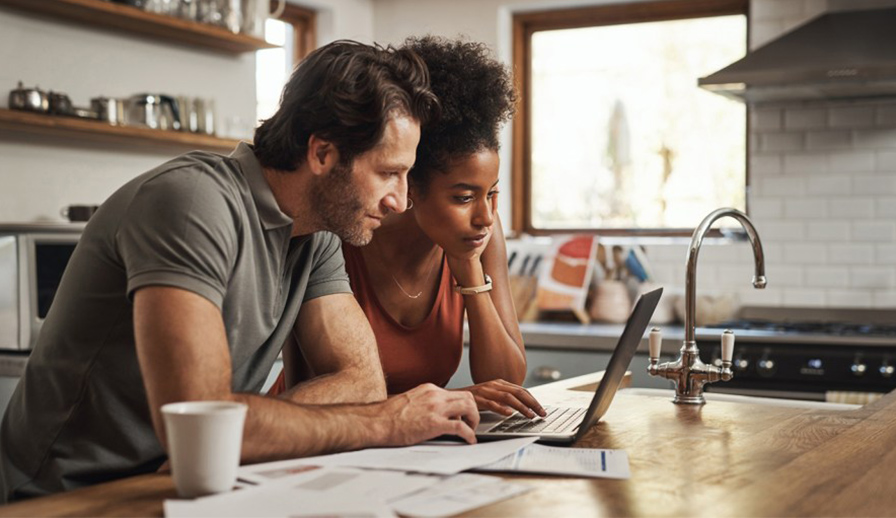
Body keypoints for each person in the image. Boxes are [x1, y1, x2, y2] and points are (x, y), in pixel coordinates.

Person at [0, 40, 480, 503]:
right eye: (387, 173)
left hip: (187, 484)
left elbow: (361, 382)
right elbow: (200, 424)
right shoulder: (192, 203)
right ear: (322, 154)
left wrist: (237, 433)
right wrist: (383, 422)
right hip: (65, 498)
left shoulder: (318, 234)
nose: (398, 201)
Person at [273, 37, 545, 419]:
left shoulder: (479, 236)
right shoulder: (343, 231)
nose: (485, 216)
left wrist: (468, 269)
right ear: (410, 185)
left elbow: (507, 382)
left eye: (493, 194)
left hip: (413, 443)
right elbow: (317, 388)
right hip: (316, 435)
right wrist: (451, 399)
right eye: (464, 198)